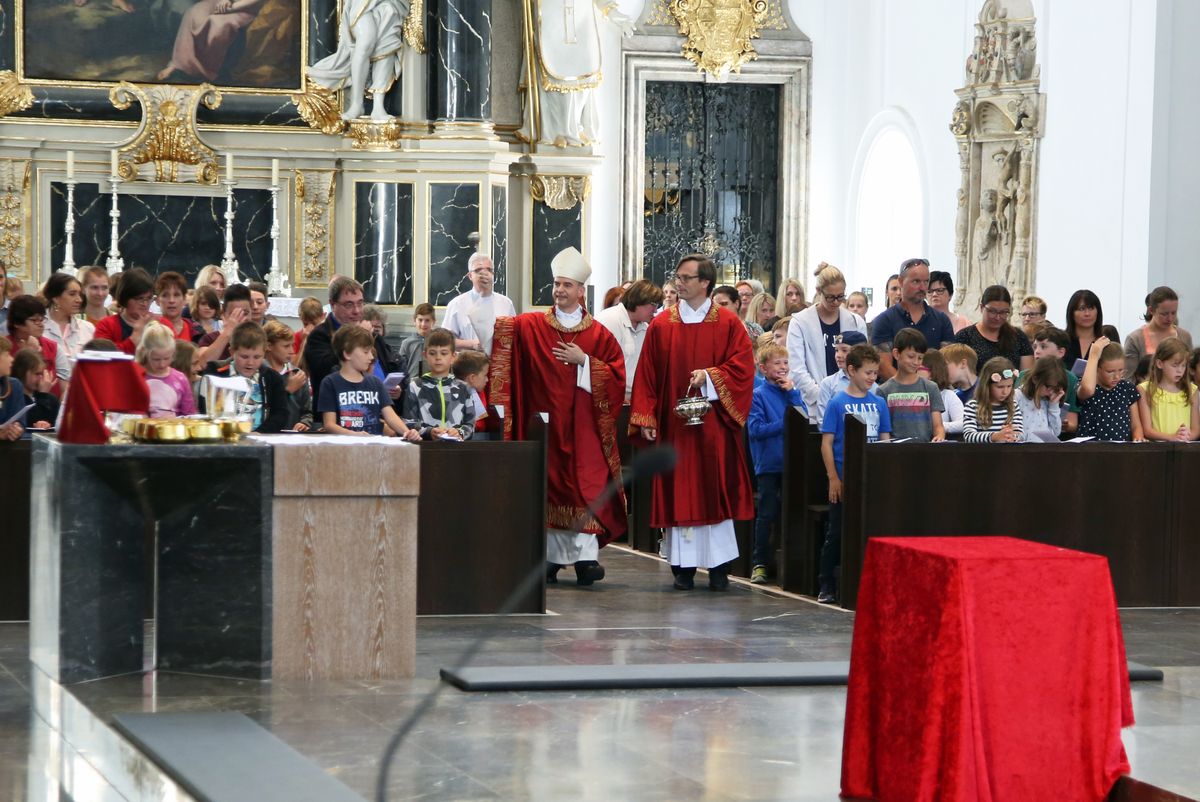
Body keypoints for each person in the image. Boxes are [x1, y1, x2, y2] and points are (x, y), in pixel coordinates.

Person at [490, 247, 627, 586]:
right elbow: (506, 335)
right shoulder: (533, 326)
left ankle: (585, 560)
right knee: (550, 488)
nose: (559, 291)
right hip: (547, 426)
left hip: (584, 428)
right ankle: (550, 558)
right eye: (556, 284)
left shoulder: (599, 335)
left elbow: (616, 377)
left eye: (567, 285)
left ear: (582, 291)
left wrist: (585, 361)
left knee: (587, 488)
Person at [629, 253, 755, 592]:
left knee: (714, 489)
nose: (678, 283)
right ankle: (682, 567)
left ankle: (718, 567)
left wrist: (711, 377)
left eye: (686, 278)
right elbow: (647, 374)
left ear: (705, 283)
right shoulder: (662, 324)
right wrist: (646, 415)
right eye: (678, 277)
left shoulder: (728, 323)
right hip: (675, 427)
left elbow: (743, 370)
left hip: (715, 428)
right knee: (679, 488)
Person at [819, 343, 891, 603]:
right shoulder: (838, 403)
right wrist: (833, 478)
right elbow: (827, 443)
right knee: (837, 531)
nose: (873, 378)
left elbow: (884, 438)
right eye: (868, 373)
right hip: (844, 475)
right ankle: (825, 582)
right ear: (852, 371)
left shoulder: (879, 403)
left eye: (875, 373)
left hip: (870, 476)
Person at [747, 343, 804, 585]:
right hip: (769, 464)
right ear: (763, 368)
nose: (783, 368)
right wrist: (786, 423)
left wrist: (792, 394)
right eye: (777, 363)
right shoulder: (757, 395)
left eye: (785, 363)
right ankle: (760, 562)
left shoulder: (791, 392)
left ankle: (793, 564)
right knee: (767, 514)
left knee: (792, 513)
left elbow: (801, 416)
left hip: (792, 463)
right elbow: (756, 429)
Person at [301, 276, 402, 407]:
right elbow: (327, 370)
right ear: (332, 305)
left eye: (360, 303)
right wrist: (355, 338)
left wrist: (397, 389)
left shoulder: (369, 330)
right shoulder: (319, 335)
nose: (357, 311)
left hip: (376, 407)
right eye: (349, 304)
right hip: (338, 410)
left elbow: (390, 363)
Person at [787, 262, 867, 416]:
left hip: (851, 403)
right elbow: (797, 369)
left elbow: (864, 363)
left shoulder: (856, 321)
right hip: (814, 407)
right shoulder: (800, 322)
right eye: (830, 297)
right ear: (819, 291)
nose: (836, 302)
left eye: (840, 297)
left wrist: (846, 397)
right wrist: (824, 397)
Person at [317, 325, 421, 439]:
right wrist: (354, 435)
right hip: (344, 450)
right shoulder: (330, 383)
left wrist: (407, 432)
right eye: (366, 352)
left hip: (374, 449)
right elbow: (329, 424)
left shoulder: (375, 383)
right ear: (347, 354)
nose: (371, 357)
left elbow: (390, 416)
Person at [870, 258, 955, 380]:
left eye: (926, 282)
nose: (922, 287)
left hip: (933, 391)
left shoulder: (942, 320)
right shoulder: (884, 320)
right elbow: (883, 366)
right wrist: (909, 388)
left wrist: (927, 388)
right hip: (895, 393)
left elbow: (947, 362)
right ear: (900, 281)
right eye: (916, 282)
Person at [203, 322, 288, 433]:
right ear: (232, 352)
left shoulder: (272, 378)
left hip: (260, 438)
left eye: (257, 357)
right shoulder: (215, 373)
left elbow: (281, 414)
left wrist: (260, 433)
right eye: (244, 356)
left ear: (264, 353)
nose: (250, 362)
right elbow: (205, 409)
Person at [158, 0, 268, 82]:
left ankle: (208, 71)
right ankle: (178, 64)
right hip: (225, 3)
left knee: (217, 24)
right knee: (193, 12)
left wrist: (230, 8)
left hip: (248, 9)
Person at [594, 279, 663, 403]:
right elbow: (597, 365)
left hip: (635, 399)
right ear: (640, 300)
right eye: (654, 304)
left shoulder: (645, 327)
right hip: (608, 399)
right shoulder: (608, 320)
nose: (655, 310)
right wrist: (619, 396)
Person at [402, 328, 476, 440]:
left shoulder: (464, 388)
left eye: (444, 353)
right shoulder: (415, 386)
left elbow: (470, 425)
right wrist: (428, 431)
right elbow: (408, 423)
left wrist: (459, 432)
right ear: (425, 355)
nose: (438, 358)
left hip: (456, 451)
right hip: (425, 449)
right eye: (432, 353)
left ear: (453, 356)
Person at [877, 328, 945, 442]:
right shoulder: (884, 390)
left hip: (925, 452)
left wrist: (939, 437)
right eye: (911, 356)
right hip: (895, 454)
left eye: (920, 358)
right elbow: (884, 431)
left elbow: (938, 426)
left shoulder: (931, 388)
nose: (916, 362)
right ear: (896, 354)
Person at [441, 253, 515, 355]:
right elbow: (445, 341)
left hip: (497, 363)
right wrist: (473, 344)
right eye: (478, 270)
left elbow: (514, 336)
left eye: (489, 270)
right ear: (470, 276)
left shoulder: (506, 303)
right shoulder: (457, 304)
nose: (484, 274)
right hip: (467, 363)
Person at [953, 285, 1034, 373]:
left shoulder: (1019, 337)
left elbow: (1025, 377)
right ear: (981, 307)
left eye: (1004, 312)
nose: (998, 317)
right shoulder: (965, 337)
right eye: (992, 311)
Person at [1077, 337, 1143, 442]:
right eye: (1110, 371)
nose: (1117, 376)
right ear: (1097, 368)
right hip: (1090, 451)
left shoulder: (1127, 388)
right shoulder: (1087, 386)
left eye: (1121, 370)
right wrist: (1093, 356)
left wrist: (1138, 440)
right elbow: (1088, 390)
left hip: (1122, 450)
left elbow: (1136, 425)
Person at [1137, 337, 1198, 442]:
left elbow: (1196, 429)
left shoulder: (1192, 390)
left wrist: (1186, 437)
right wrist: (1172, 438)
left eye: (1183, 366)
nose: (1180, 370)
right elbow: (1147, 430)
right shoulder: (1145, 389)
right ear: (1160, 364)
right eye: (1175, 365)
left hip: (1184, 449)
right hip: (1157, 451)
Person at [1124, 287, 1193, 380]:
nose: (1170, 318)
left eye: (1174, 313)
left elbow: (1189, 373)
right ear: (1151, 310)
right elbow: (1128, 378)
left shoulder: (1185, 336)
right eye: (1164, 314)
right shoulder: (1135, 339)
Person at [6, 295, 67, 397]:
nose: (41, 324)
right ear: (17, 323)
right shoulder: (4, 348)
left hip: (50, 406)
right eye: (34, 320)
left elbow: (64, 386)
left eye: (42, 320)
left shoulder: (54, 347)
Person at [138, 321, 197, 419]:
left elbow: (189, 414)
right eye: (156, 359)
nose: (162, 364)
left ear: (173, 354)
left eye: (167, 358)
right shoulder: (137, 376)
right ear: (145, 352)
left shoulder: (180, 378)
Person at [92, 268, 157, 356]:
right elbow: (102, 357)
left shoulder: (161, 323)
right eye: (140, 298)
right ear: (125, 298)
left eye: (149, 298)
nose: (145, 304)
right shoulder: (106, 326)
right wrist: (134, 339)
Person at [814, 331, 876, 424]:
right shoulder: (828, 384)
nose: (838, 355)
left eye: (844, 350)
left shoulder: (873, 386)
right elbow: (823, 420)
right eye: (836, 350)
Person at [41, 272, 95, 378]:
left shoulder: (88, 328)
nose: (79, 299)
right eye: (72, 294)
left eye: (80, 294)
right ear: (55, 298)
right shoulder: (39, 327)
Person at [1029, 327, 1080, 434]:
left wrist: (1065, 424)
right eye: (1035, 347)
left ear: (1060, 352)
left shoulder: (1070, 379)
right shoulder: (1023, 376)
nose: (1037, 351)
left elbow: (1073, 423)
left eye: (1043, 347)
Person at [264, 320, 312, 432]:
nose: (291, 351)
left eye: (292, 345)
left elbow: (307, 412)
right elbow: (263, 409)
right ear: (269, 346)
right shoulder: (260, 374)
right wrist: (287, 390)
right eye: (286, 346)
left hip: (292, 437)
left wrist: (304, 423)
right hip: (265, 434)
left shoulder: (298, 374)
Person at [962, 357, 1024, 443]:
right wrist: (994, 436)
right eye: (1000, 387)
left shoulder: (1013, 406)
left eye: (1009, 386)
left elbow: (1020, 434)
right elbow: (969, 436)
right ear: (987, 386)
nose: (1005, 392)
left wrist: (1011, 435)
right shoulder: (972, 406)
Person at [196, 284, 253, 363]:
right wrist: (228, 331)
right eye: (234, 314)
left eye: (245, 313)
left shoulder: (258, 338)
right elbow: (202, 363)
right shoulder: (209, 339)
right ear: (223, 314)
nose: (241, 319)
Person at [1016, 356, 1068, 442]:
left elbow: (1056, 432)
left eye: (1055, 388)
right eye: (1048, 386)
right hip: (1023, 450)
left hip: (1045, 451)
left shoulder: (1049, 400)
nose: (1051, 392)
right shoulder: (1017, 397)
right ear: (1035, 379)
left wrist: (1054, 406)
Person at [919, 348, 964, 435]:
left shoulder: (948, 395)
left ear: (932, 373)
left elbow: (962, 423)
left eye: (919, 369)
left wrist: (938, 426)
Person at [11, 350, 58, 429]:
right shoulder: (13, 397)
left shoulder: (51, 399)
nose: (41, 378)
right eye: (37, 374)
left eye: (42, 374)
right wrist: (42, 395)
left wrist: (44, 395)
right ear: (21, 372)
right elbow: (30, 419)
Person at [453, 349, 490, 438]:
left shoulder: (479, 392)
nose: (487, 380)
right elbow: (478, 426)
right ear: (472, 378)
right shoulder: (458, 395)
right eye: (485, 375)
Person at [1063, 289, 1104, 369]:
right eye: (1082, 309)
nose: (1087, 314)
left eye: (1091, 308)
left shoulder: (1104, 343)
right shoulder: (1061, 341)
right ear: (1072, 313)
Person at [397, 302, 436, 380]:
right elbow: (401, 368)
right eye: (420, 320)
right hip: (412, 384)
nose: (423, 324)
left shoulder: (438, 342)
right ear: (414, 321)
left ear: (433, 322)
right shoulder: (406, 343)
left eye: (427, 320)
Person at [155, 271, 195, 342]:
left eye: (176, 295)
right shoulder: (150, 330)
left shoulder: (195, 330)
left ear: (184, 299)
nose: (171, 300)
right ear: (157, 300)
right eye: (165, 295)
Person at [0, 338, 26, 440]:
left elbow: (20, 420)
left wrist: (17, 429)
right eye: (7, 355)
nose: (12, 359)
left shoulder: (14, 385)